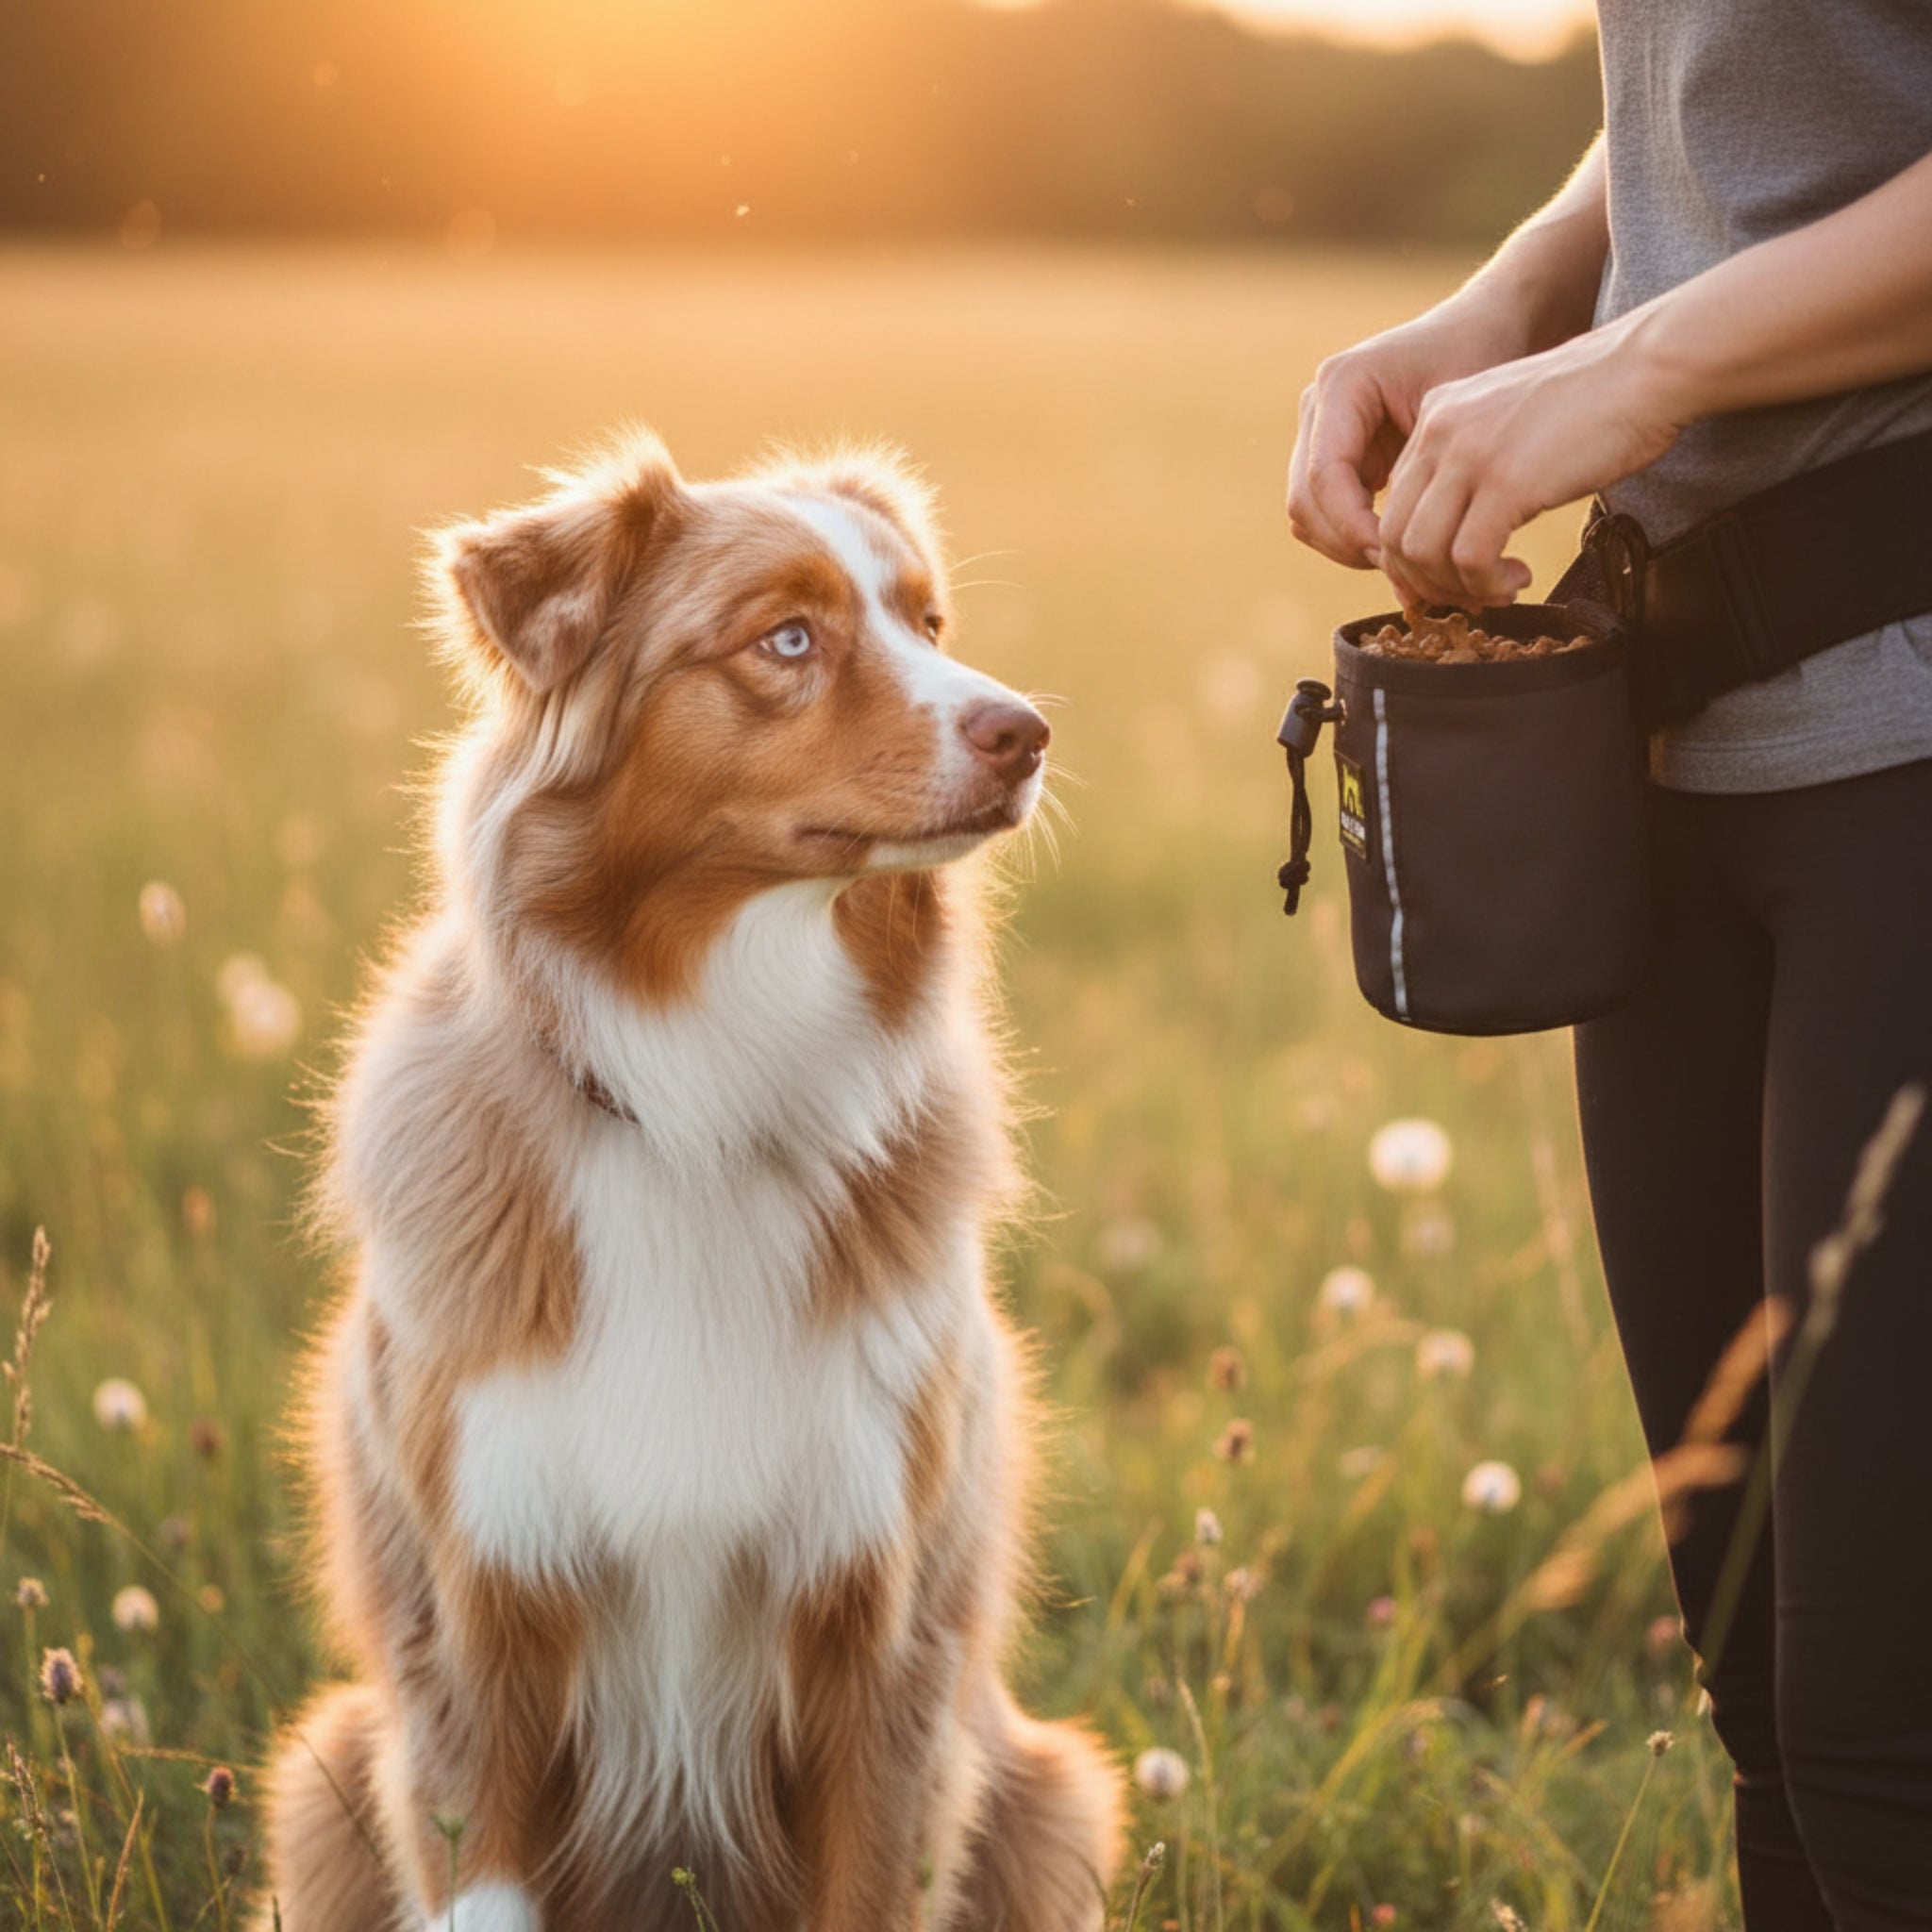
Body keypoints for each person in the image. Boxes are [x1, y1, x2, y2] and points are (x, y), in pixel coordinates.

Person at [1285, 8, 1932, 1929]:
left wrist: (1637, 367)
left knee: (1891, 1736)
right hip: (1687, 725)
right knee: (1773, 1715)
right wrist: (1512, 298)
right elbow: (1742, 82)